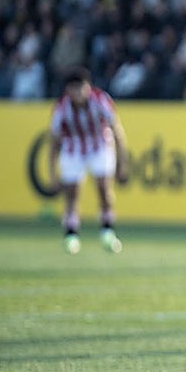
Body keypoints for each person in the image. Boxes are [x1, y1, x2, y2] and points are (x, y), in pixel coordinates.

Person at [47, 66, 129, 255]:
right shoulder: (61, 108)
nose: (77, 92)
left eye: (81, 87)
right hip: (73, 148)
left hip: (99, 145)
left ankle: (107, 230)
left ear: (88, 87)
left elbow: (117, 130)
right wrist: (51, 173)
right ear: (67, 90)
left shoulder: (101, 100)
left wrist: (122, 163)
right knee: (72, 192)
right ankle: (71, 234)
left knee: (104, 188)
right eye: (73, 88)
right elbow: (53, 143)